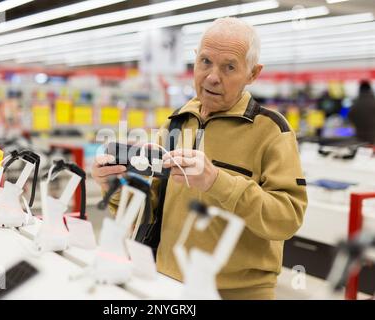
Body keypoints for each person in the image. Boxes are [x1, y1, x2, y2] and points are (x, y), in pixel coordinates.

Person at [92, 17, 308, 300]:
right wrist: (112, 185)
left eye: (229, 66)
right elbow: (149, 207)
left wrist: (217, 181)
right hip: (165, 281)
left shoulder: (271, 131)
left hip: (235, 293)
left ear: (253, 74)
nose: (212, 77)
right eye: (205, 61)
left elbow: (287, 219)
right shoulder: (177, 123)